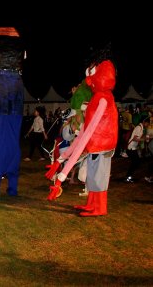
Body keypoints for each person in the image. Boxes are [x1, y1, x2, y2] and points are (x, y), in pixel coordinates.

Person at [46, 54, 119, 217]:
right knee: (92, 177)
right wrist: (62, 160)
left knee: (99, 178)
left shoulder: (104, 99)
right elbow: (86, 130)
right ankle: (91, 204)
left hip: (102, 146)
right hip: (95, 147)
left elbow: (88, 130)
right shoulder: (97, 99)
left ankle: (99, 208)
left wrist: (63, 172)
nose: (88, 80)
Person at [0, 27, 26, 202]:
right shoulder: (20, 47)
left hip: (1, 85)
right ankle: (12, 188)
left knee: (1, 132)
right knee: (12, 131)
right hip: (16, 85)